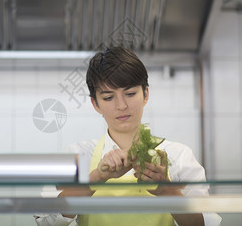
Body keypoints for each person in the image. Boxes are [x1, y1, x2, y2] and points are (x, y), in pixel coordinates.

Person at [34, 46, 221, 226]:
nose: (121, 105)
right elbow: (46, 221)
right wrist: (97, 177)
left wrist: (167, 190)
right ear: (95, 104)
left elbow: (205, 224)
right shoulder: (77, 155)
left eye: (130, 93)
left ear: (146, 93)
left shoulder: (178, 156)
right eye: (108, 97)